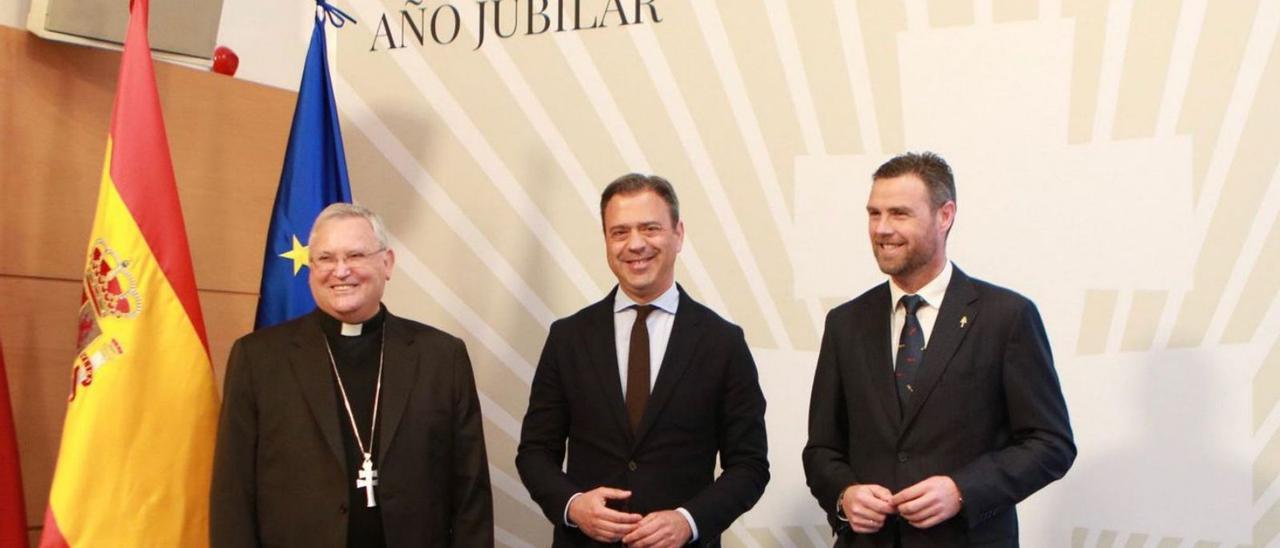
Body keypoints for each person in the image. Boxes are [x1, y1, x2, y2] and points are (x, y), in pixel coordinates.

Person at [802, 152, 1075, 547]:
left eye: (899, 214)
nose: (881, 229)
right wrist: (845, 495)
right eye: (873, 213)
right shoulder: (846, 323)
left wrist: (962, 490)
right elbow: (822, 450)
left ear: (944, 216)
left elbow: (1050, 443)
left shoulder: (1007, 317)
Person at [211, 203, 493, 547]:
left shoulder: (441, 357)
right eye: (325, 259)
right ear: (310, 268)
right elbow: (233, 492)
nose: (340, 271)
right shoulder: (258, 359)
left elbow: (470, 492)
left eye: (355, 255)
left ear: (386, 263)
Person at [516, 174, 769, 547]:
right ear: (606, 240)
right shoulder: (568, 338)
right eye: (620, 232)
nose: (635, 244)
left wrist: (688, 521)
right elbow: (535, 452)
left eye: (650, 228)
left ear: (678, 234)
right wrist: (573, 505)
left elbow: (749, 466)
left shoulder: (722, 342)